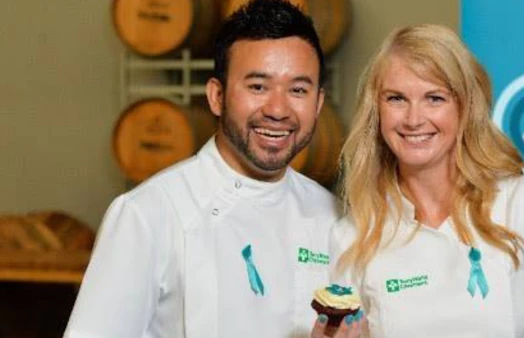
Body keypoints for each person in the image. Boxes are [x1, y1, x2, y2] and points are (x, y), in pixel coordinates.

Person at [65, 1, 360, 337]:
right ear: (217, 96)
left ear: (318, 103)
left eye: (297, 90)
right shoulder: (148, 215)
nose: (278, 109)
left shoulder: (332, 218)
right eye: (258, 86)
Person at [329, 24, 524, 337]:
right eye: (397, 99)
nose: (414, 119)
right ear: (376, 110)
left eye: (434, 98)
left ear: (466, 107)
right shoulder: (353, 236)